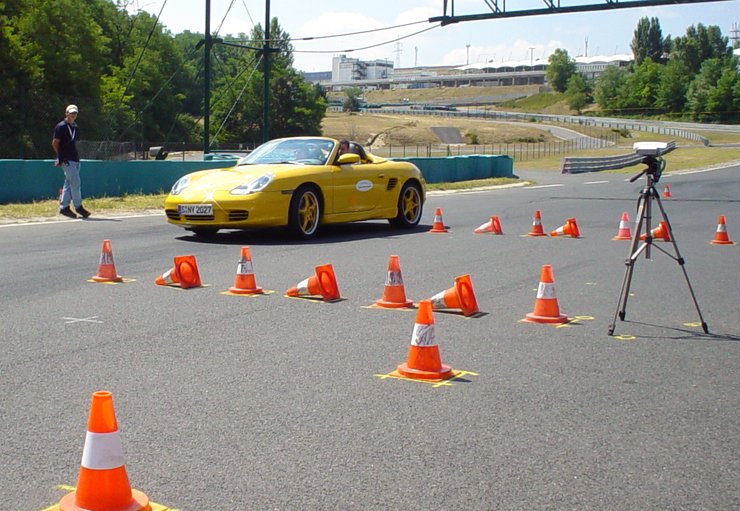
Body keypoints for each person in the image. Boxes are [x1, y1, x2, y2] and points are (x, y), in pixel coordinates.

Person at [52, 104, 91, 218]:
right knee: (75, 182)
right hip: (66, 159)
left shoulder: (75, 127)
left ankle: (64, 207)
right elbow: (55, 143)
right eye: (71, 113)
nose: (73, 115)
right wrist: (60, 157)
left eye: (75, 113)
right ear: (66, 113)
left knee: (68, 183)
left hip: (74, 158)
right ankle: (78, 207)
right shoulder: (61, 126)